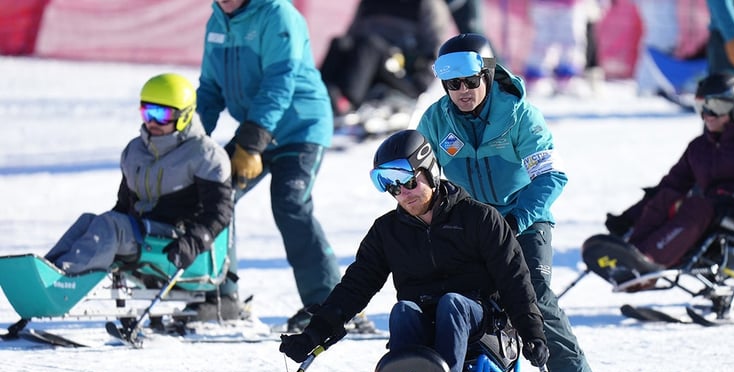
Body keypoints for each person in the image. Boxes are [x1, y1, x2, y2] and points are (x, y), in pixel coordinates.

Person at [416, 33, 599, 372]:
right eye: (452, 84)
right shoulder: (435, 120)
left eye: (470, 81)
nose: (461, 92)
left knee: (531, 294)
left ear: (488, 74)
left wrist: (514, 221)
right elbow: (421, 177)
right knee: (457, 299)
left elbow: (550, 175)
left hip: (524, 219)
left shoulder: (519, 115)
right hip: (469, 222)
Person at [278, 130, 549, 372]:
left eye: (408, 182)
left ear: (428, 171)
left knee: (452, 304)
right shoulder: (387, 232)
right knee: (404, 310)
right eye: (392, 187)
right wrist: (316, 332)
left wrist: (532, 333)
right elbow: (356, 285)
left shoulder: (479, 219)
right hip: (426, 330)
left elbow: (514, 279)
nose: (403, 193)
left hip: (486, 332)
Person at [197, 0, 360, 332]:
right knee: (213, 195)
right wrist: (194, 138)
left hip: (300, 126)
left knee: (290, 203)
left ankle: (332, 304)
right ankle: (221, 296)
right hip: (257, 129)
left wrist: (252, 142)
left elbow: (279, 80)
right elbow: (210, 89)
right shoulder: (216, 23)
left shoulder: (277, 14)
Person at [46, 73, 233, 282]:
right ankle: (47, 270)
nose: (152, 122)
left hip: (174, 241)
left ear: (185, 115)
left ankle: (63, 280)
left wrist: (195, 242)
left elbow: (220, 212)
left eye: (161, 114)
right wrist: (103, 230)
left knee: (111, 225)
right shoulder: (135, 151)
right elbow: (123, 205)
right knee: (90, 221)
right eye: (147, 113)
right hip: (142, 232)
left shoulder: (205, 155)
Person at [604, 73, 734, 271]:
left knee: (697, 207)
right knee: (667, 198)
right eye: (701, 107)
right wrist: (629, 217)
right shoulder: (700, 147)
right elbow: (671, 185)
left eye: (716, 107)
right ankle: (630, 253)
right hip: (712, 209)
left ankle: (648, 261)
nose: (707, 115)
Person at [320, 0, 452, 117]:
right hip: (367, 67)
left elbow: (435, 51)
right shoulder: (369, 3)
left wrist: (421, 84)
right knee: (340, 43)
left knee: (370, 45)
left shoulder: (425, 4)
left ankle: (347, 103)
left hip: (404, 73)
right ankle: (320, 95)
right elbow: (351, 37)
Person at [523, 0, 590, 96]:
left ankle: (567, 79)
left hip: (570, 5)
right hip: (542, 6)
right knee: (542, 40)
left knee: (571, 40)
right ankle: (535, 80)